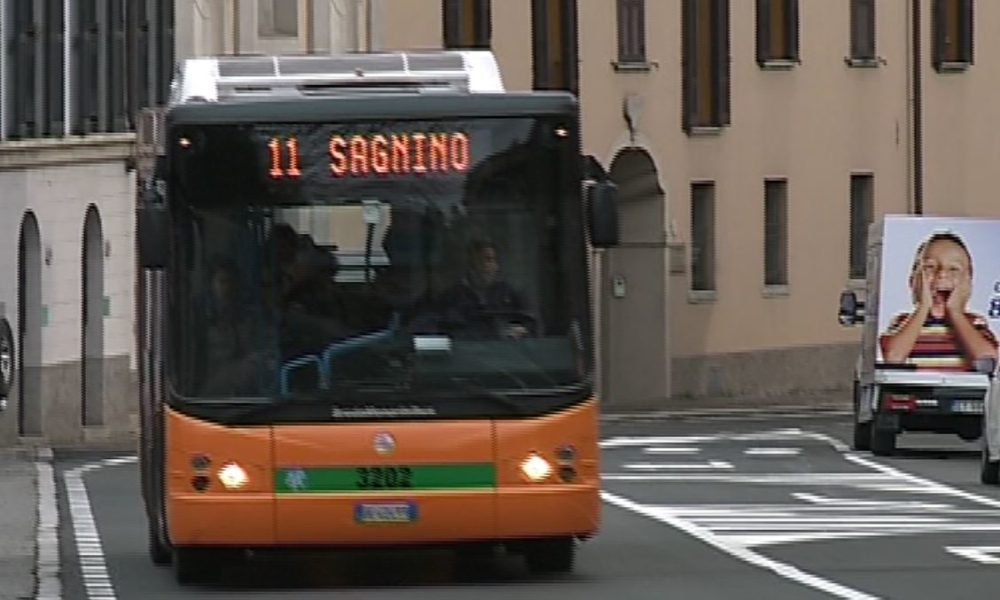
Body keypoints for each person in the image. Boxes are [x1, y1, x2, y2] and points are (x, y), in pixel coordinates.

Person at [879, 231, 998, 371]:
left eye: (954, 269)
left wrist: (955, 312)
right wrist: (923, 306)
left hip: (959, 393)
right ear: (913, 281)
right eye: (930, 267)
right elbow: (893, 357)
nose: (942, 274)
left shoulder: (974, 323)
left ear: (968, 284)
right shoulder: (903, 322)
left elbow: (987, 360)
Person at [438, 239, 533, 339]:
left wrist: (521, 330)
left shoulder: (510, 294)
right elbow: (444, 331)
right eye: (481, 260)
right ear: (470, 264)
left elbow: (530, 325)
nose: (487, 266)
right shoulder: (451, 297)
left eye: (491, 260)